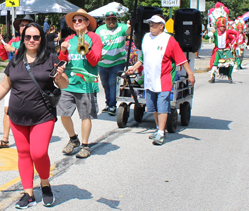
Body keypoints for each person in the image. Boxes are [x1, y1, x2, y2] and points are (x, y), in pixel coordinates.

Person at [0, 22, 69, 209]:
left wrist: (59, 76)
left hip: (43, 115)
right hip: (17, 115)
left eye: (36, 37)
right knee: (24, 154)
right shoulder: (17, 59)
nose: (32, 40)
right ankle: (28, 193)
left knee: (39, 152)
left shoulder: (50, 58)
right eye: (28, 37)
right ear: (23, 39)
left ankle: (44, 183)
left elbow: (64, 84)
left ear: (41, 39)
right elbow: (5, 85)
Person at [126, 15, 195, 145]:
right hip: (150, 79)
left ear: (161, 26)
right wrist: (134, 68)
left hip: (164, 79)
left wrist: (190, 74)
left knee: (162, 105)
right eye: (150, 23)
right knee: (153, 107)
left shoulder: (169, 40)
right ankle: (158, 129)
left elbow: (181, 58)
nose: (151, 26)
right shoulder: (146, 38)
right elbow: (143, 58)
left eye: (154, 24)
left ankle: (161, 133)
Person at [57, 9, 102, 158]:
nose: (76, 23)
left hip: (86, 83)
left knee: (85, 116)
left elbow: (94, 61)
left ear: (87, 22)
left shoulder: (94, 38)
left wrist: (87, 50)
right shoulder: (70, 39)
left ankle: (85, 145)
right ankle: (73, 139)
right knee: (63, 113)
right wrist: (63, 51)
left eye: (80, 20)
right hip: (69, 83)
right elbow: (62, 60)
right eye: (74, 21)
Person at [0, 15, 33, 149]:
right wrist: (1, 44)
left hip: (29, 80)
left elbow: (33, 57)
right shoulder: (14, 40)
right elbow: (4, 57)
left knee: (28, 109)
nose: (24, 27)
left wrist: (15, 51)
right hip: (13, 78)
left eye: (27, 25)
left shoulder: (34, 41)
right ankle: (5, 139)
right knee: (7, 109)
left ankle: (30, 137)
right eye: (22, 25)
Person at [95, 11, 131, 116]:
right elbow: (95, 43)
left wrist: (131, 25)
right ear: (105, 20)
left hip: (118, 61)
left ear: (117, 20)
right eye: (109, 20)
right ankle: (107, 103)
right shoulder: (100, 30)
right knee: (105, 83)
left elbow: (128, 31)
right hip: (103, 62)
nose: (111, 22)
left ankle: (112, 105)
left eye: (114, 19)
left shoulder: (121, 27)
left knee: (112, 82)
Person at [206, 16, 237, 83]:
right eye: (221, 26)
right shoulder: (215, 33)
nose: (223, 28)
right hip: (217, 50)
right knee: (214, 63)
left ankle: (229, 76)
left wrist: (233, 43)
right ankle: (212, 76)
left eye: (224, 26)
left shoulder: (227, 32)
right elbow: (205, 37)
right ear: (218, 27)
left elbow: (236, 33)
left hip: (226, 50)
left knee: (231, 62)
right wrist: (209, 34)